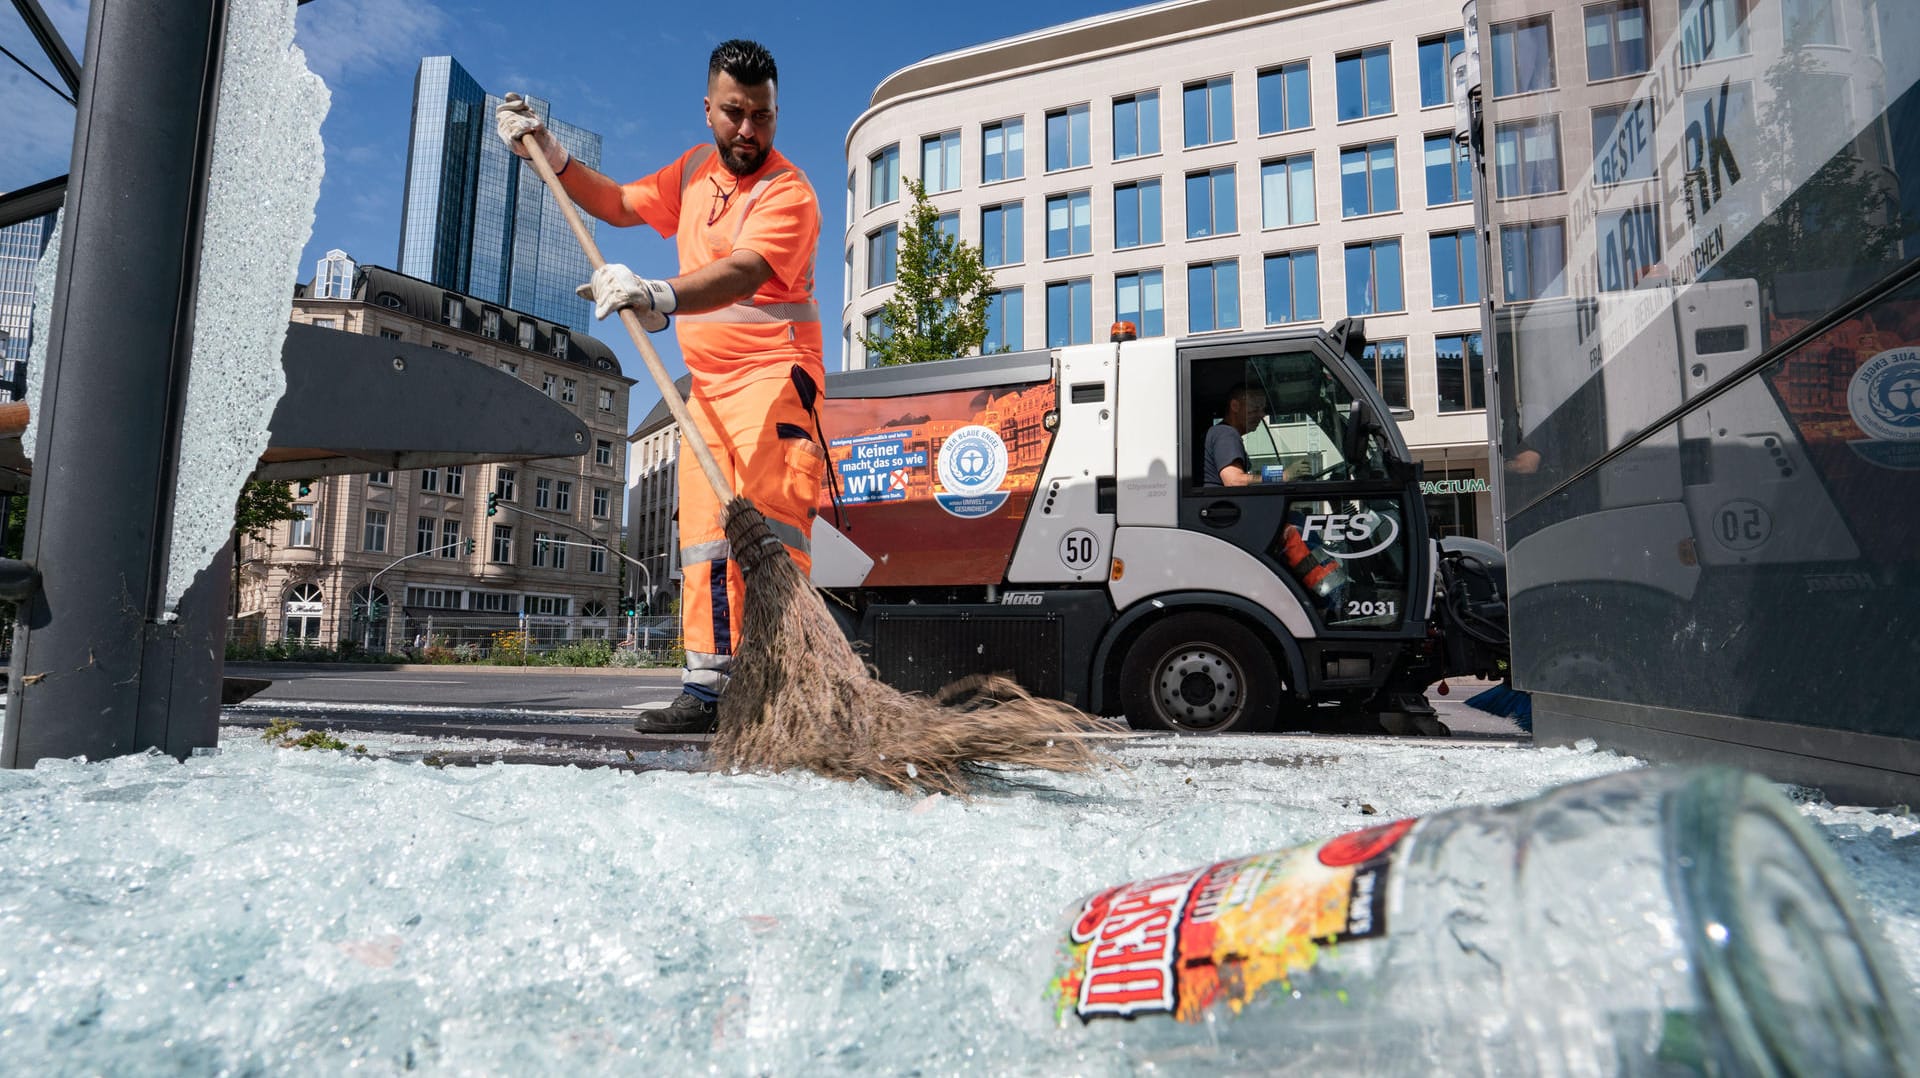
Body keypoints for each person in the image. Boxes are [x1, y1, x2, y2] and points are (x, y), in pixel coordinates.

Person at [498, 40, 826, 734]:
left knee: (772, 530)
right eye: (735, 113)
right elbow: (617, 203)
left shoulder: (789, 193)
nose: (748, 131)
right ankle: (707, 690)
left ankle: (785, 679)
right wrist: (548, 155)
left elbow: (742, 271)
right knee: (705, 539)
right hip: (705, 390)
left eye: (763, 117)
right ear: (708, 108)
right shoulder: (693, 172)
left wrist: (658, 293)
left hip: (774, 379)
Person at [1201, 384, 1267, 486]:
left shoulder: (1220, 432)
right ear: (1235, 406)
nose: (1262, 415)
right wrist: (1283, 476)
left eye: (1263, 409)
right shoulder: (1226, 433)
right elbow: (1234, 481)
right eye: (1255, 408)